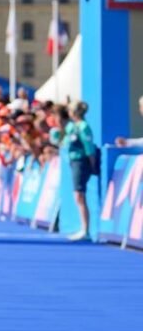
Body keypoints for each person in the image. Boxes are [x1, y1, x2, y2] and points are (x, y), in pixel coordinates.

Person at [65, 101, 95, 241]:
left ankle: (85, 230)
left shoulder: (84, 126)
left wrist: (92, 163)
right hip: (73, 161)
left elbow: (89, 147)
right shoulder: (71, 126)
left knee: (79, 194)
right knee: (77, 195)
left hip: (81, 161)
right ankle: (83, 227)